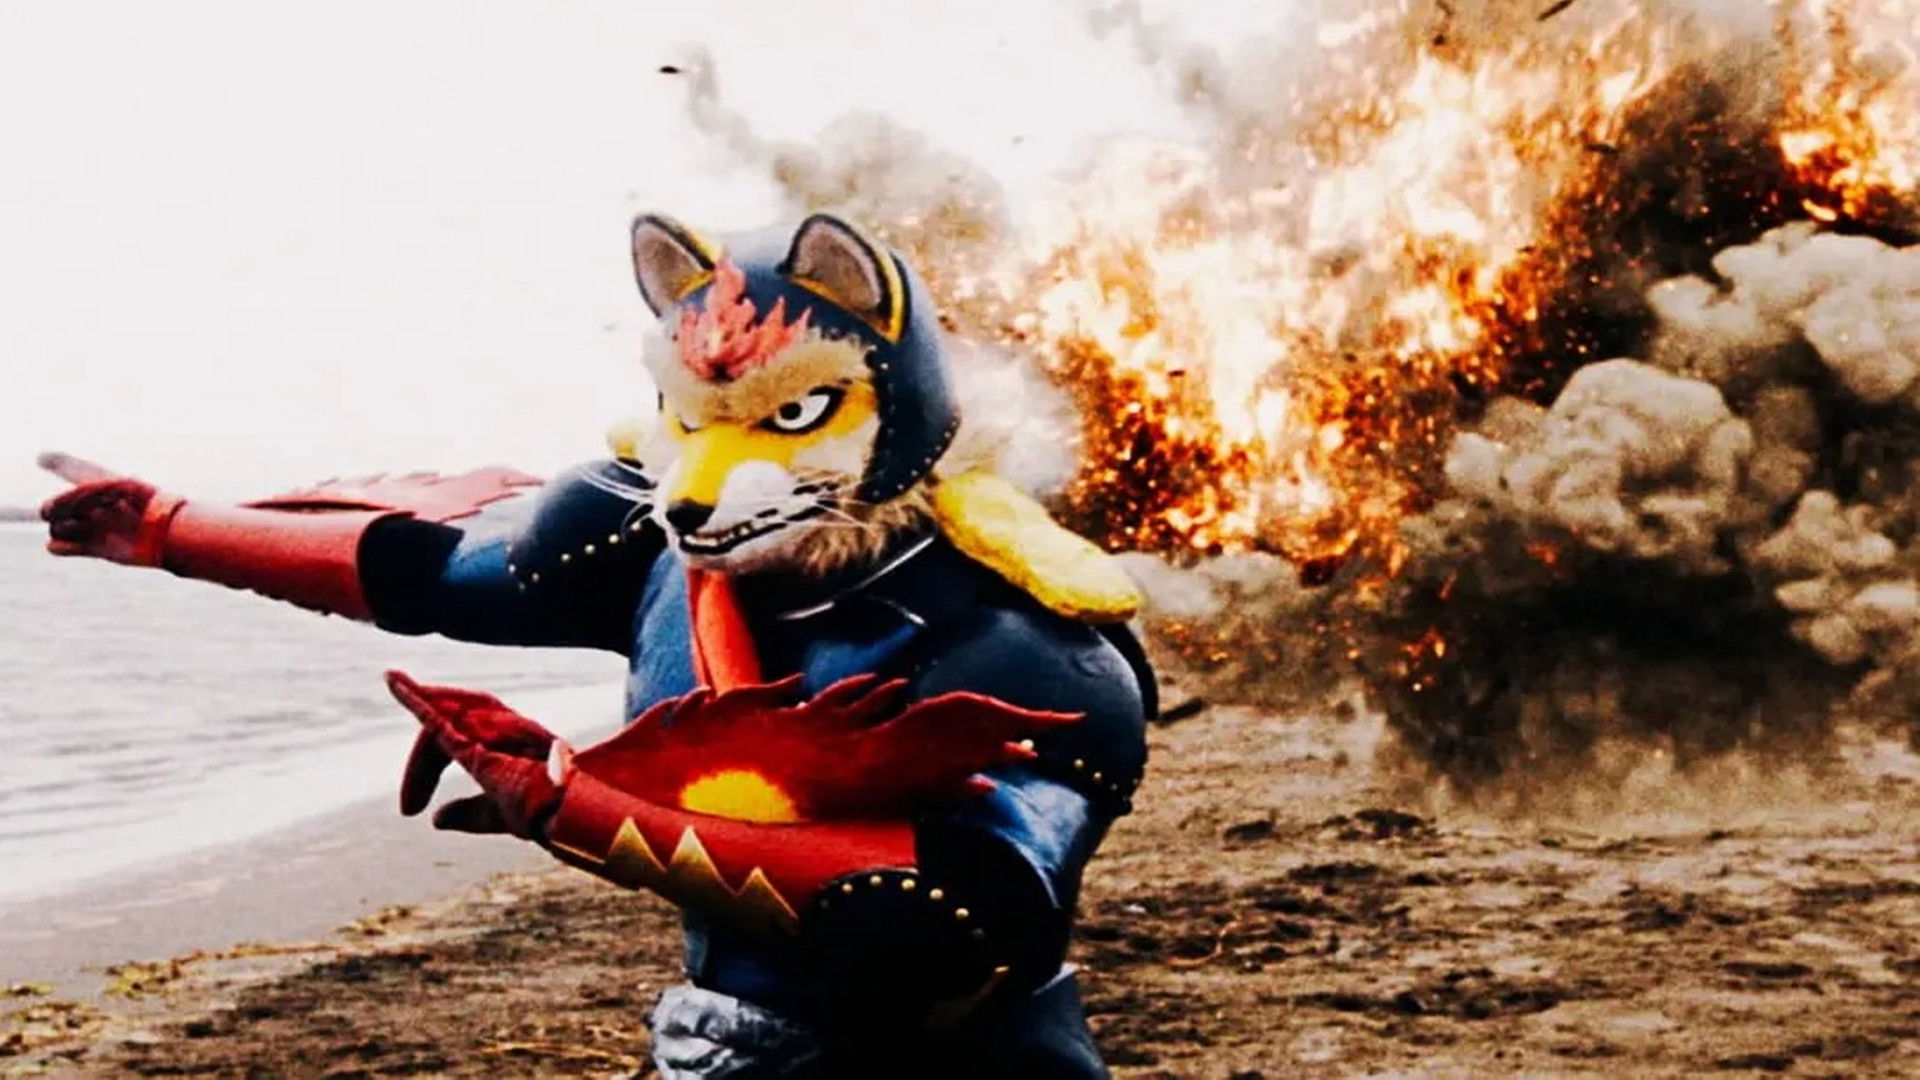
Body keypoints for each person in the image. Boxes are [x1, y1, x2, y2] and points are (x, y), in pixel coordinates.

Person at [40, 211, 1153, 1078]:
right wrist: (174, 531)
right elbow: (440, 573)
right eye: (695, 418)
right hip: (728, 1043)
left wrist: (577, 805)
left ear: (896, 401)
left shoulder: (1020, 641)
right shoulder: (657, 547)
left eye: (789, 416)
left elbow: (968, 922)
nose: (705, 483)